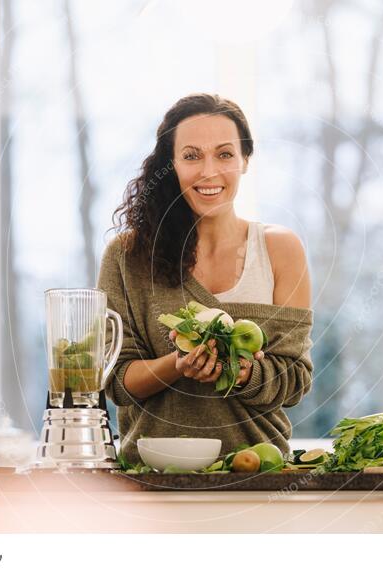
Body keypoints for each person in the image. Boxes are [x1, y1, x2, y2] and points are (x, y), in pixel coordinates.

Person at [98, 93, 314, 463]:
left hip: (258, 473)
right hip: (153, 476)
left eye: (225, 154)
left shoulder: (280, 249)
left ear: (245, 160)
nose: (208, 171)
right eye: (191, 155)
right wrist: (178, 364)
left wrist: (241, 371)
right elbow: (116, 381)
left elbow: (294, 381)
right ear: (171, 163)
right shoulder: (128, 256)